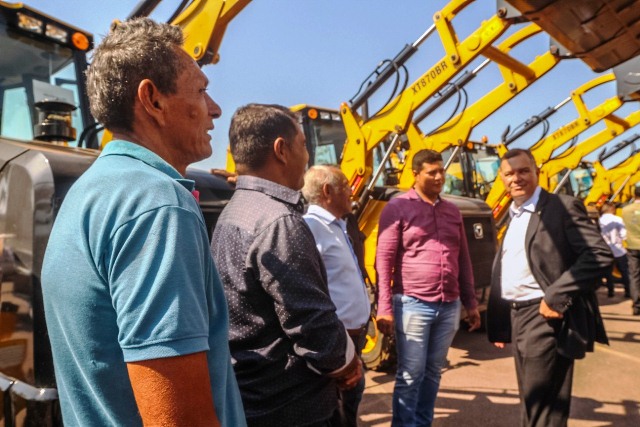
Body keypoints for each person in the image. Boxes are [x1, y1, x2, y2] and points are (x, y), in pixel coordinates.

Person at [40, 18, 245, 427]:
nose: (215, 108)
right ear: (152, 99)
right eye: (201, 90)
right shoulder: (159, 204)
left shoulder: (88, 192)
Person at [211, 103, 362, 427]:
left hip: (253, 399)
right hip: (294, 405)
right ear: (281, 150)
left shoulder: (234, 210)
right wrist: (346, 364)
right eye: (304, 145)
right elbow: (311, 324)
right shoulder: (279, 221)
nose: (307, 158)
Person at [487, 148, 612, 427]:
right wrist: (502, 321)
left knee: (540, 406)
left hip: (543, 316)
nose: (516, 178)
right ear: (502, 178)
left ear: (537, 172)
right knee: (536, 404)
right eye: (509, 173)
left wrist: (557, 296)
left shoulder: (561, 207)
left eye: (523, 171)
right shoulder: (515, 213)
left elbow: (598, 255)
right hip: (519, 316)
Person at [375, 148, 481, 426]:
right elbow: (383, 260)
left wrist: (471, 302)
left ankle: (422, 423)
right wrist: (384, 307)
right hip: (412, 303)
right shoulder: (397, 208)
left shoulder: (452, 211)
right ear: (415, 174)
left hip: (449, 305)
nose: (439, 177)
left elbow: (463, 259)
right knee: (411, 374)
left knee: (433, 372)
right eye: (431, 172)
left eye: (441, 171)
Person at [302, 165, 371, 427]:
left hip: (354, 337)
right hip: (337, 341)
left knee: (350, 405)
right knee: (338, 412)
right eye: (345, 185)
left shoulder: (339, 225)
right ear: (327, 191)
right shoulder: (311, 227)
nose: (352, 191)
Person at [599, 202, 631, 298]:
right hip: (619, 250)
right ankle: (628, 291)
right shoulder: (618, 219)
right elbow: (624, 235)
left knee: (608, 272)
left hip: (605, 250)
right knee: (624, 271)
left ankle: (610, 291)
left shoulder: (599, 220)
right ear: (612, 209)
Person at [621, 185, 640, 315]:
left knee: (634, 276)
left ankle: (637, 305)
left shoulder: (625, 210)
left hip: (632, 246)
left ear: (634, 195)